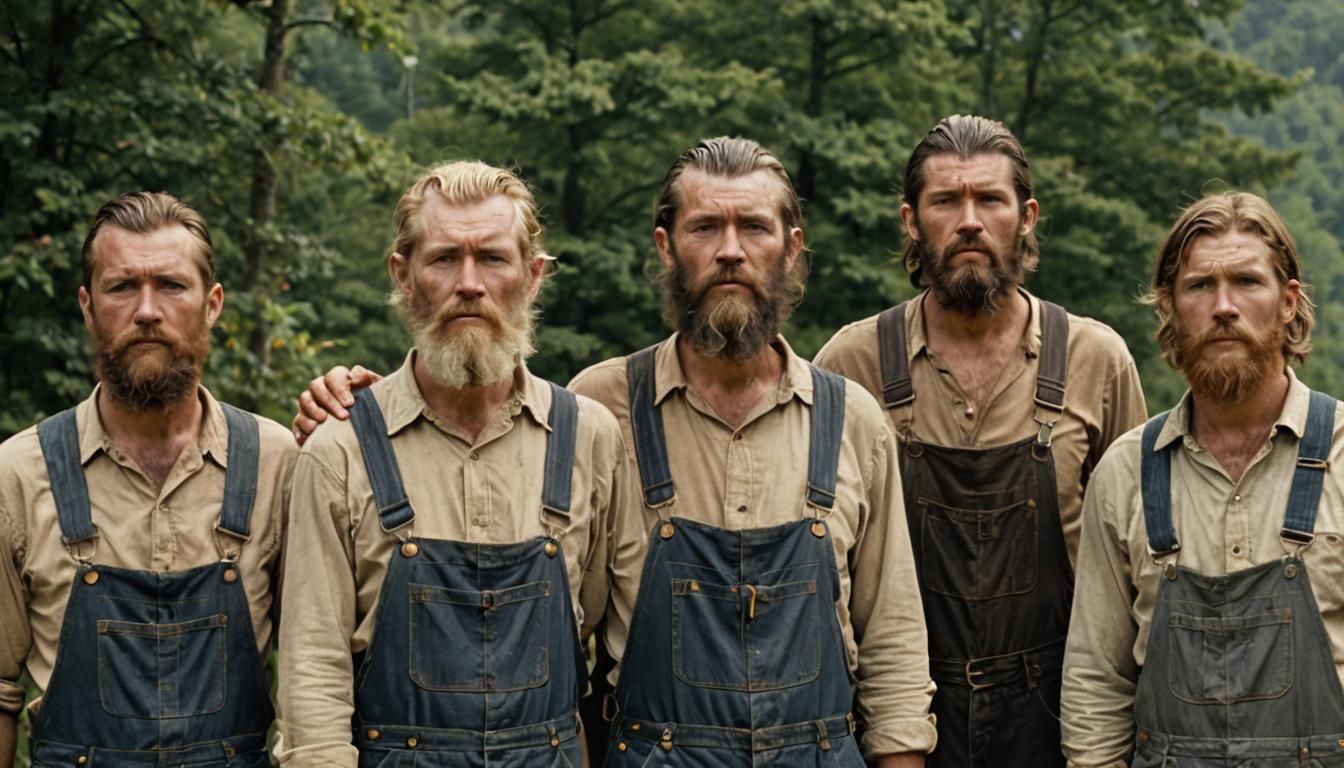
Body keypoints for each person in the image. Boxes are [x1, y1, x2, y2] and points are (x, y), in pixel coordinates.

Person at [292, 138, 937, 766]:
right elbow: (315, 683)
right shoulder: (601, 412)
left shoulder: (845, 419)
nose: (731, 251)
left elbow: (895, 649)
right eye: (706, 227)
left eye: (492, 257)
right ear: (667, 247)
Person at [814, 114, 1146, 767]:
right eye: (946, 201)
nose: (970, 220)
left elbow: (1139, 567)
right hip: (895, 723)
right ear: (912, 220)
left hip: (1057, 724)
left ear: (1026, 216)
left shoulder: (1095, 359)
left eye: (990, 200)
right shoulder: (848, 364)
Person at [275, 161, 626, 767]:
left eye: (492, 258)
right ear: (403, 276)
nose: (469, 283)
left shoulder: (589, 436)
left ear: (533, 277)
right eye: (443, 259)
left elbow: (602, 631)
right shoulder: (340, 449)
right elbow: (314, 669)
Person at [0, 192, 297, 767]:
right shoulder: (17, 472)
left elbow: (318, 670)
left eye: (171, 285)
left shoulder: (276, 461)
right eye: (121, 287)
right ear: (87, 306)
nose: (147, 311)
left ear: (212, 304)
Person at [1060, 192, 1344, 766]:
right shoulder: (1125, 471)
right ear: (1169, 306)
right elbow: (1097, 677)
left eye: (1247, 282)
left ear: (1289, 302)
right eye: (1199, 287)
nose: (1223, 307)